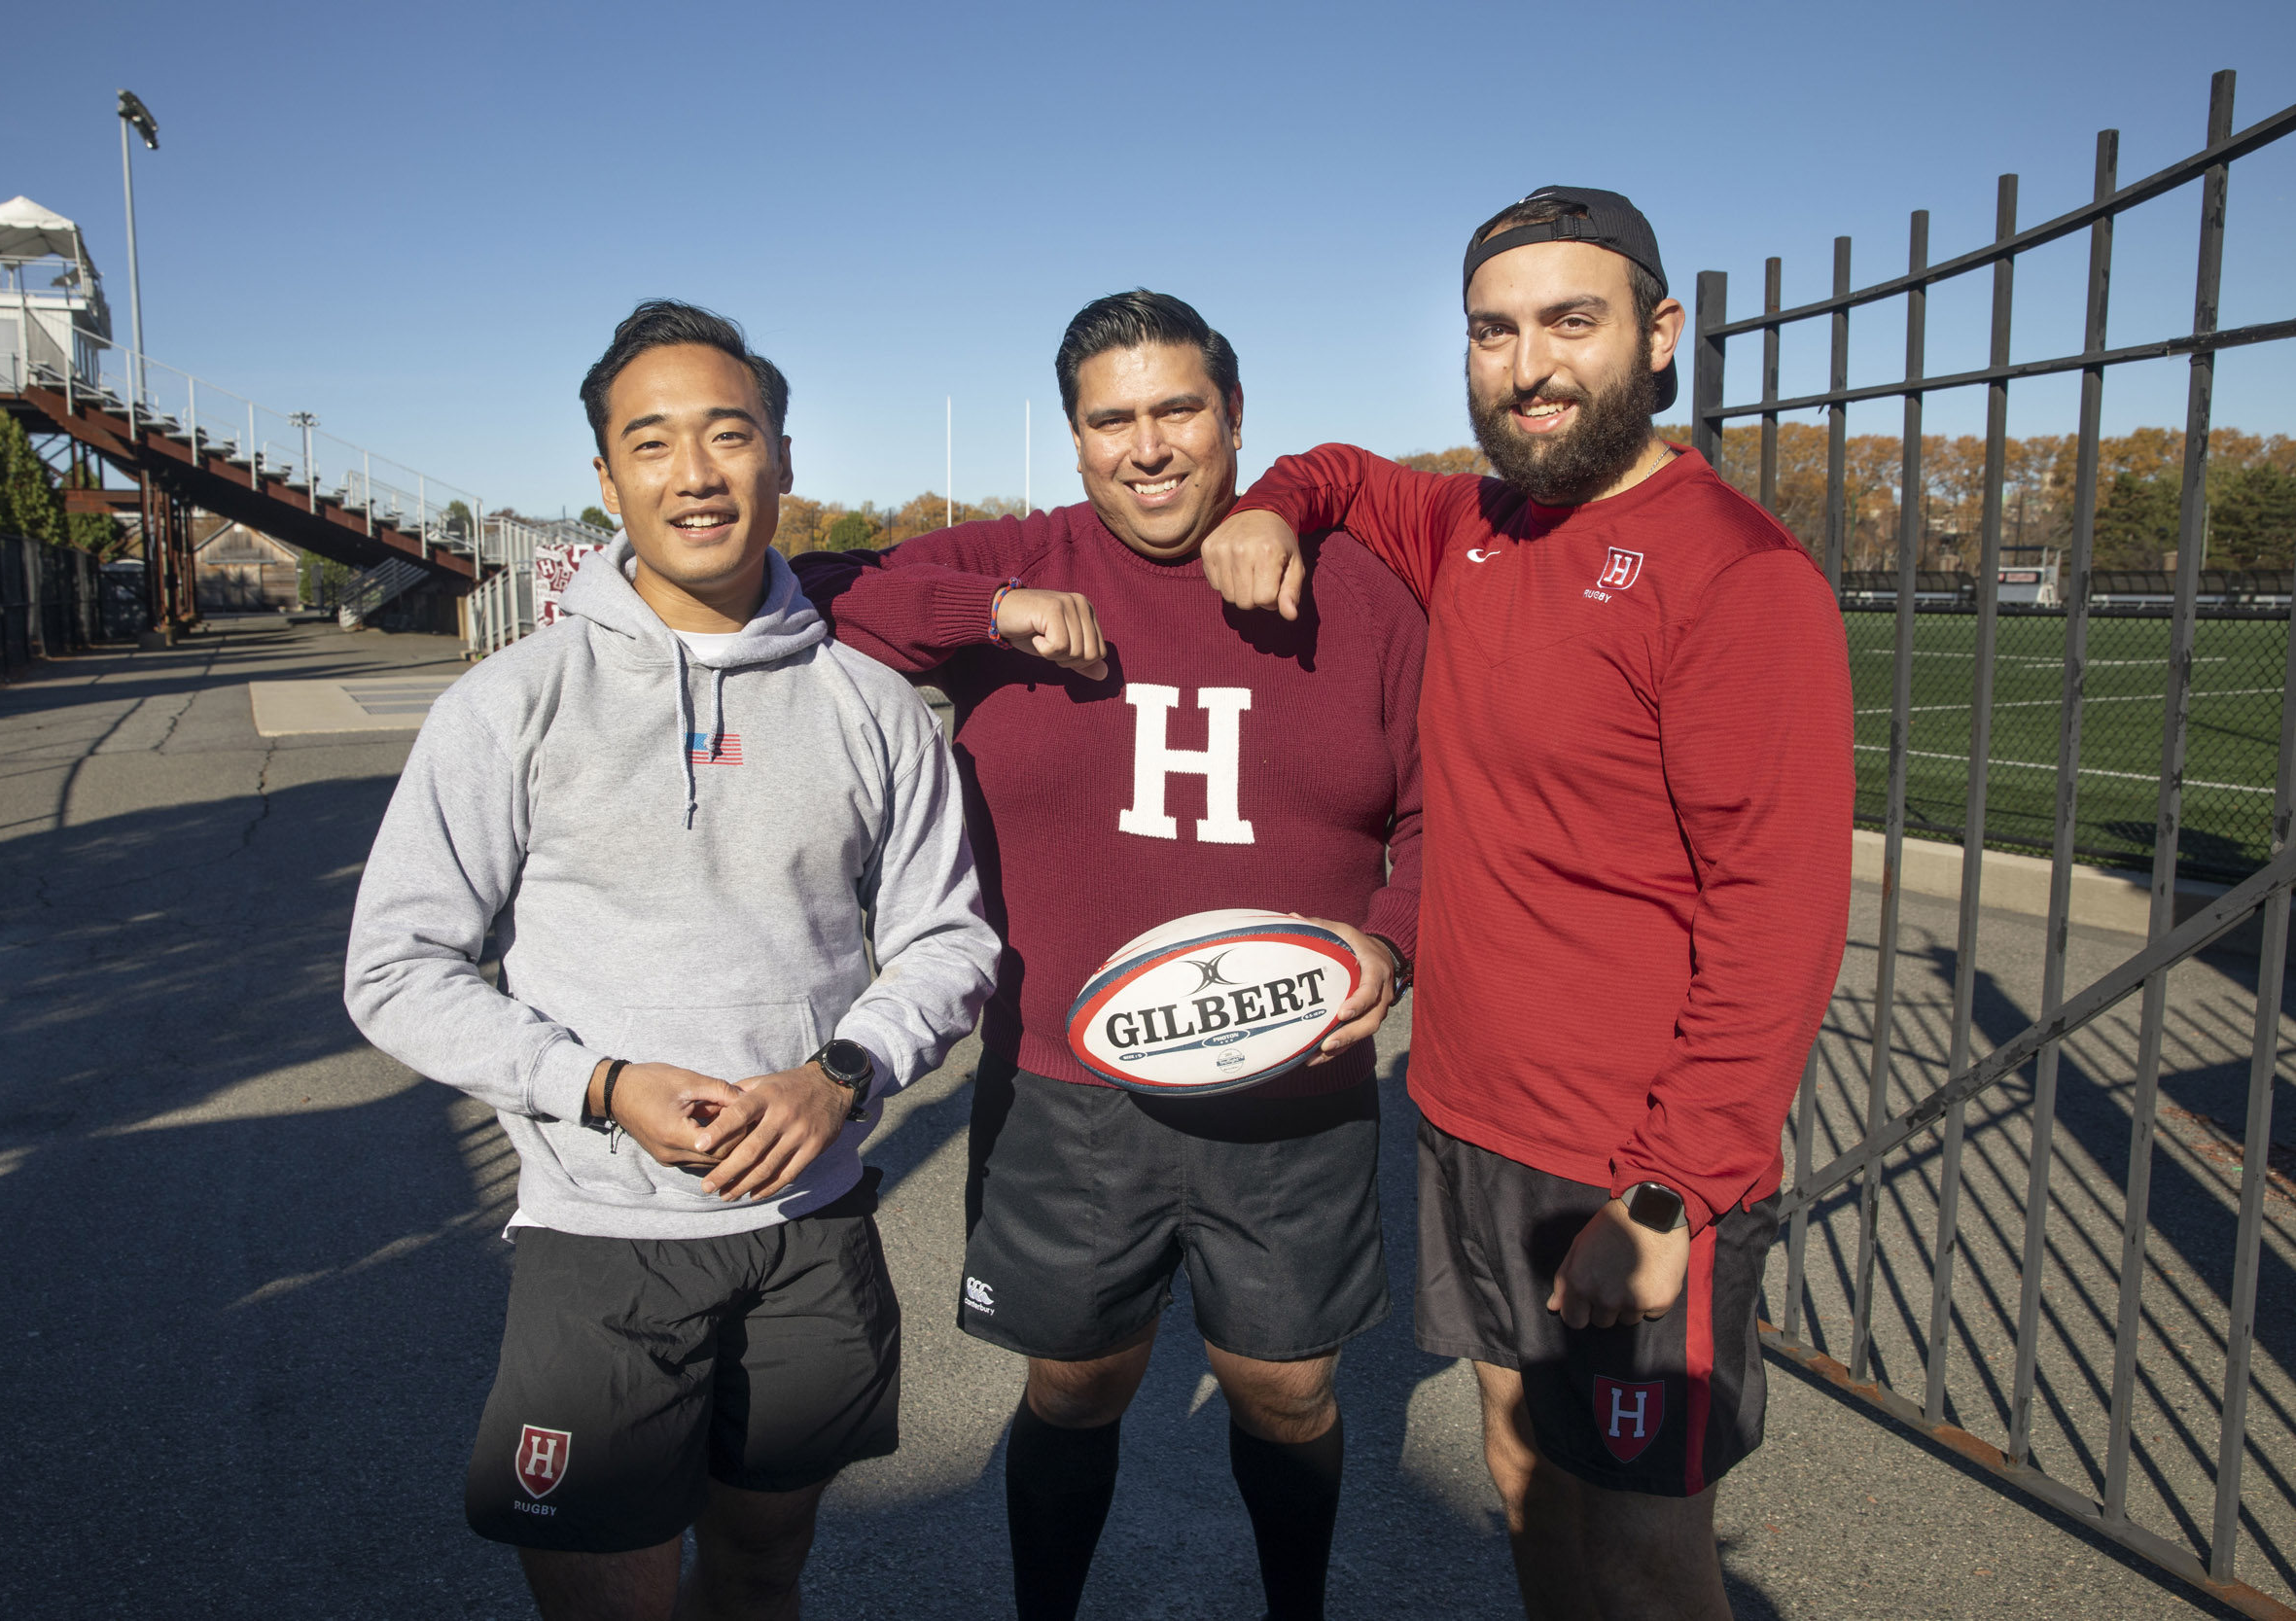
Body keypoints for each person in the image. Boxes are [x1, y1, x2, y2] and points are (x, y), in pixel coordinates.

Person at [1199, 189, 1854, 1621]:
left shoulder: (1738, 575)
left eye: (1572, 321)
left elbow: (1781, 918)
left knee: (1645, 1546)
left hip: (1626, 1157)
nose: (1529, 364)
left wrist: (1670, 1193)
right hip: (1464, 1123)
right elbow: (1335, 469)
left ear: (1659, 335)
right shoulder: (1473, 525)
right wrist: (1266, 506)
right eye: (1493, 332)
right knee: (1521, 1472)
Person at [344, 300, 997, 1621]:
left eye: (728, 433)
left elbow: (948, 938)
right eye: (653, 442)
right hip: (601, 1244)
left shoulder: (870, 707)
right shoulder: (511, 704)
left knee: (762, 1572)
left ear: (783, 459)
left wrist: (844, 1073)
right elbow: (396, 966)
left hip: (813, 1230)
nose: (695, 472)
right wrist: (596, 1084)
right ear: (605, 478)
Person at [790, 290, 1427, 1621]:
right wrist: (994, 608)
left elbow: (1437, 813)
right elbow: (816, 598)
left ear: (1234, 416)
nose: (1148, 447)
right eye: (1112, 418)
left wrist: (1391, 946)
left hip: (1289, 1078)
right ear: (1075, 436)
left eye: (1178, 409)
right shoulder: (1019, 560)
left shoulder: (1360, 591)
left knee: (1287, 1386)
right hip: (1062, 1083)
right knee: (1076, 1381)